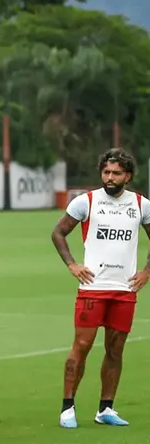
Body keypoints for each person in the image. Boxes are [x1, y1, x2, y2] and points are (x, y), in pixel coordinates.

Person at [50, 148, 150, 429]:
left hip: (125, 290)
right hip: (93, 288)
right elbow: (58, 232)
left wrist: (146, 272)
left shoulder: (141, 205)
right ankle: (67, 407)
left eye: (116, 173)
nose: (110, 177)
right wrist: (72, 265)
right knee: (81, 346)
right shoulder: (87, 202)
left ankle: (106, 408)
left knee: (116, 349)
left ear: (127, 176)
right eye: (106, 172)